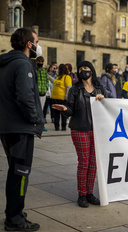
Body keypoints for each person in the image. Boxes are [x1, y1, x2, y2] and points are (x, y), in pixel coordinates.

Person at [0, 27, 44, 231]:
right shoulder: (22, 64)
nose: (38, 45)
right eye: (36, 41)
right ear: (29, 44)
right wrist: (35, 120)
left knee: (15, 171)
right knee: (20, 173)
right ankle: (14, 218)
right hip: (20, 128)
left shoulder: (6, 63)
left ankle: (14, 210)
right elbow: (25, 98)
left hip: (8, 127)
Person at [52, 60, 106, 208]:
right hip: (80, 129)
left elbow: (108, 107)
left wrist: (103, 99)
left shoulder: (100, 88)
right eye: (81, 68)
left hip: (96, 130)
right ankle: (82, 194)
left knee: (93, 163)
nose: (83, 70)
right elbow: (71, 108)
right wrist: (65, 109)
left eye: (86, 67)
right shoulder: (75, 89)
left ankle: (90, 193)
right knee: (84, 161)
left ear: (92, 70)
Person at [51, 64, 72, 131]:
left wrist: (66, 97)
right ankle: (56, 127)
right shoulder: (58, 77)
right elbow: (54, 82)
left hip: (62, 99)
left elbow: (68, 88)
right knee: (55, 114)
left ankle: (63, 127)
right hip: (55, 98)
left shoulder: (67, 77)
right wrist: (48, 76)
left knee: (63, 114)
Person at [36, 56, 49, 131]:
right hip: (36, 93)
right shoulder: (35, 70)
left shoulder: (44, 71)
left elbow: (47, 81)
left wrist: (46, 88)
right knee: (36, 110)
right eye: (39, 63)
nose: (40, 64)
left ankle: (41, 125)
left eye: (41, 63)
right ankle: (36, 124)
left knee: (41, 110)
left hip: (43, 93)